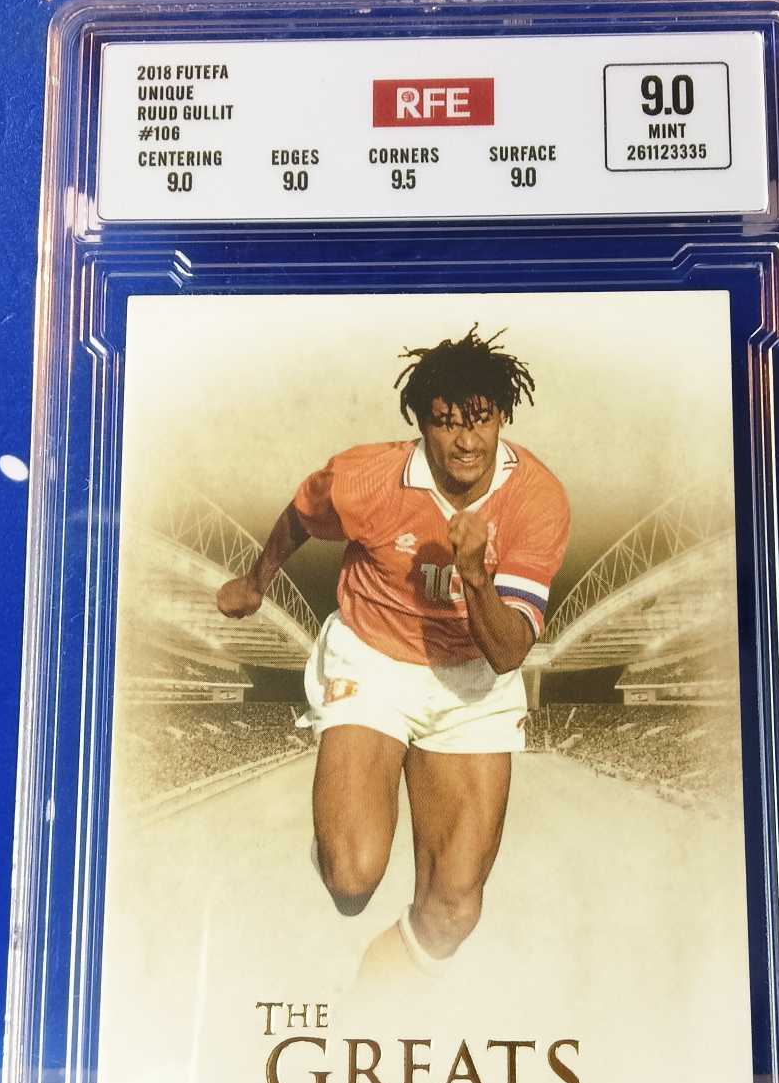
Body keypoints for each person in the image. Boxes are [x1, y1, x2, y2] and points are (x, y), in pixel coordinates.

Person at [216, 326, 570, 984]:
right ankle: (339, 831)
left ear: (502, 416)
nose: (466, 441)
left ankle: (375, 1001)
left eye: (480, 419)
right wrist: (256, 581)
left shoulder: (537, 498)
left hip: (472, 680)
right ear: (421, 424)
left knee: (453, 913)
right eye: (446, 423)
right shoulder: (367, 478)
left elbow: (508, 653)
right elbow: (301, 514)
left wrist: (475, 576)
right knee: (351, 881)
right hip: (375, 659)